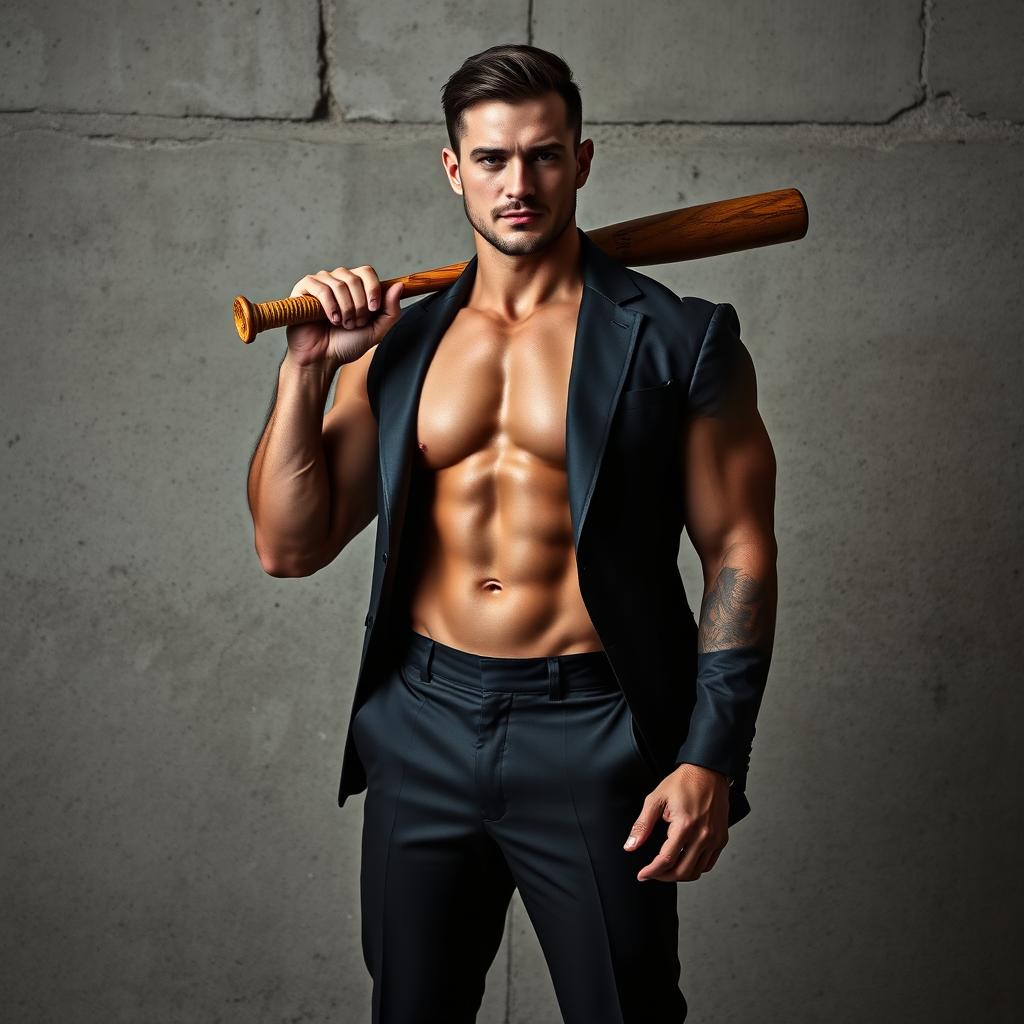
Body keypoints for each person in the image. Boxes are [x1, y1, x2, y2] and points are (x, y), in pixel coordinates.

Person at [247, 43, 777, 1024]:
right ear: (454, 169)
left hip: (590, 728)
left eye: (541, 155)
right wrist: (307, 372)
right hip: (422, 721)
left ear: (580, 160)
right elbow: (289, 544)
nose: (517, 182)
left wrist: (711, 753)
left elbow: (738, 549)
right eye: (491, 159)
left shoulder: (676, 338)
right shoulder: (402, 343)